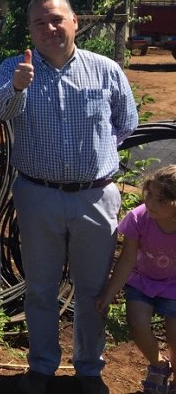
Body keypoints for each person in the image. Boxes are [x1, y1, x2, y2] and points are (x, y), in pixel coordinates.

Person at [0, 0, 139, 394]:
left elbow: (126, 125)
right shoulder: (13, 68)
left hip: (95, 197)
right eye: (39, 23)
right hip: (38, 195)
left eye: (56, 19)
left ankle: (89, 369)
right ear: (31, 31)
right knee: (40, 287)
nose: (49, 28)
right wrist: (17, 88)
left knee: (93, 289)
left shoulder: (105, 69)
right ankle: (41, 366)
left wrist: (91, 165)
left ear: (74, 22)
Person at [97, 165, 176, 394]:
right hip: (142, 280)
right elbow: (127, 258)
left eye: (161, 200)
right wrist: (110, 292)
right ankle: (158, 365)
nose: (151, 203)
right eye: (149, 194)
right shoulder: (138, 217)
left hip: (174, 285)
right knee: (137, 324)